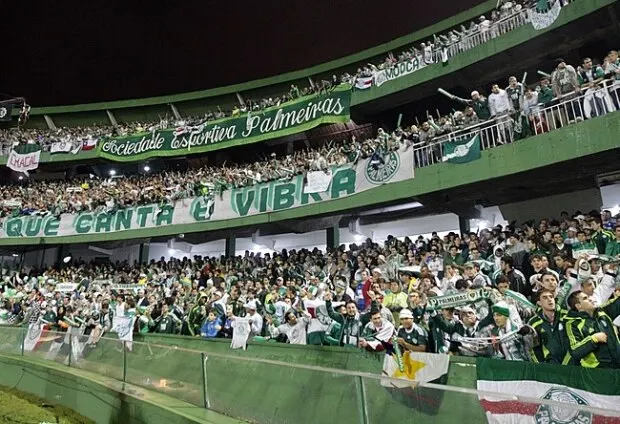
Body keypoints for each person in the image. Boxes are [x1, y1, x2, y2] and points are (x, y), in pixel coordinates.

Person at [565, 291, 620, 368]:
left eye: (589, 296)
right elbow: (575, 351)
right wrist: (593, 339)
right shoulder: (573, 324)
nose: (590, 299)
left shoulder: (603, 312)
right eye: (585, 298)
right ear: (578, 306)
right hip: (598, 371)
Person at [527, 289, 571, 364]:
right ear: (539, 303)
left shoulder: (567, 316)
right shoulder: (533, 323)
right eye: (545, 298)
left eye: (551, 297)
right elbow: (534, 348)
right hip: (550, 365)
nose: (549, 299)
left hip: (572, 363)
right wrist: (541, 365)